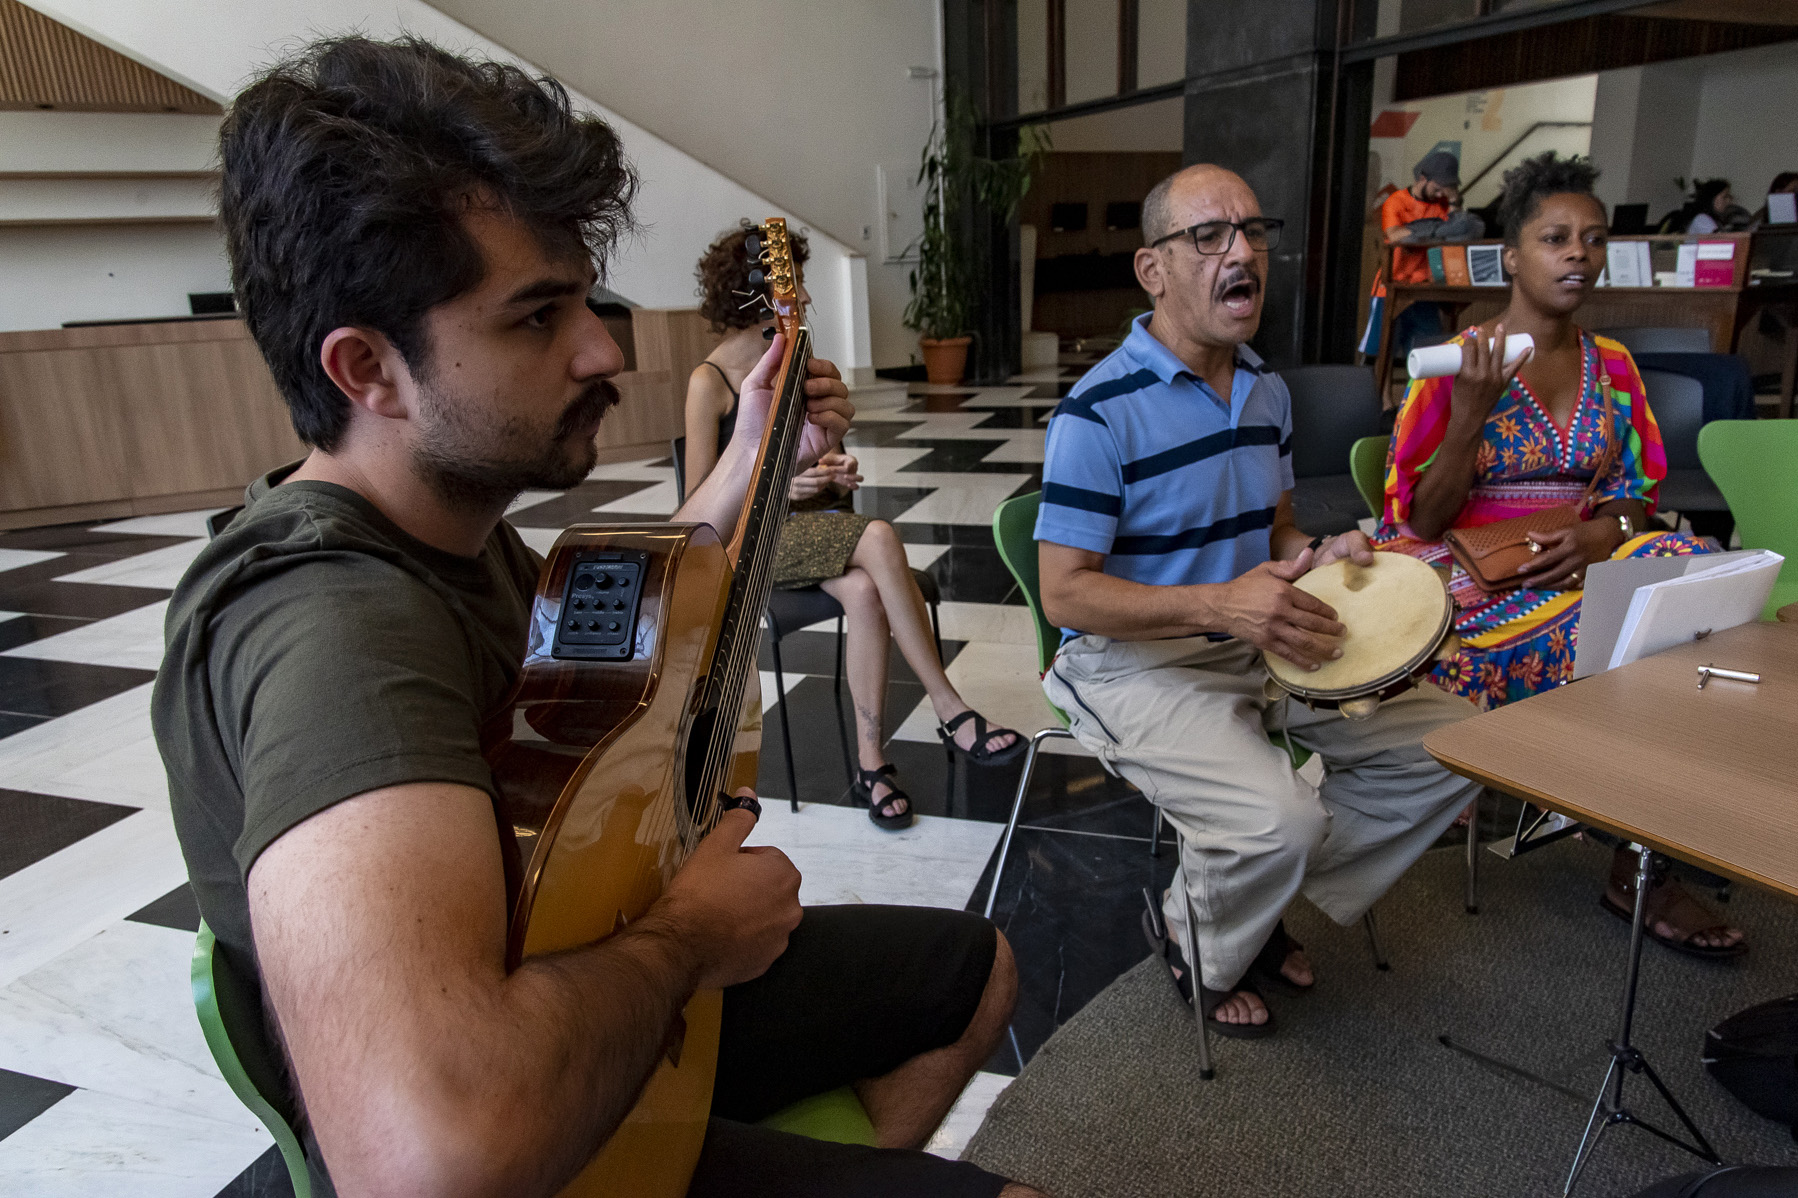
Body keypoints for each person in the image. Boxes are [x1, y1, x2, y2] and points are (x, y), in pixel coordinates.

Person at [152, 37, 1046, 1198]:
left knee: (975, 973)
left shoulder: (445, 529)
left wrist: (749, 454)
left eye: (587, 297)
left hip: (589, 1002)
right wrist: (686, 942)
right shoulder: (336, 632)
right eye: (536, 317)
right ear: (367, 368)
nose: (601, 347)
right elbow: (422, 1161)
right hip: (527, 1132)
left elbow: (601, 626)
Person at [1035, 163, 1484, 1036]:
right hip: (1135, 664)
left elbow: (1273, 531)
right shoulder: (1096, 414)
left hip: (1257, 636)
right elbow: (1065, 595)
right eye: (1208, 236)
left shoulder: (1264, 390)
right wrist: (1220, 607)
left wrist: (1315, 556)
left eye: (1252, 231)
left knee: (1450, 747)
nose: (1240, 252)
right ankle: (1193, 935)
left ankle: (1254, 894)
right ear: (1153, 269)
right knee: (1280, 822)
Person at [1374, 151, 1744, 960]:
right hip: (1476, 576)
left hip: (1585, 558)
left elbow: (1635, 491)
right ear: (1512, 256)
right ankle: (1632, 850)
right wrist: (1469, 413)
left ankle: (1641, 850)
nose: (1579, 252)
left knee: (1698, 595)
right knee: (1634, 649)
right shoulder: (1457, 363)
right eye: (1555, 238)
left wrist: (1603, 534)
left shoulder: (1613, 365)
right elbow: (1422, 518)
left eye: (1594, 237)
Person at [686, 222, 1025, 829]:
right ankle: (950, 707)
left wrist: (834, 468)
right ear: (754, 289)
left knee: (866, 590)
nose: (803, 295)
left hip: (817, 531)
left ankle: (872, 764)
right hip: (758, 544)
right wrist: (781, 486)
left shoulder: (798, 358)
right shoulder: (708, 383)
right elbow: (699, 508)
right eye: (792, 282)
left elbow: (827, 463)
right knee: (879, 535)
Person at [1359, 149, 1475, 362]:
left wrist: (1453, 202)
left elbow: (1460, 232)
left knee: (1429, 355)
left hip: (1425, 290)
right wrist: (1436, 231)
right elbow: (1395, 235)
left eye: (1445, 191)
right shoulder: (1397, 201)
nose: (1440, 195)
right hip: (1392, 285)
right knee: (1378, 353)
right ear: (1423, 178)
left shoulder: (1442, 204)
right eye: (1438, 188)